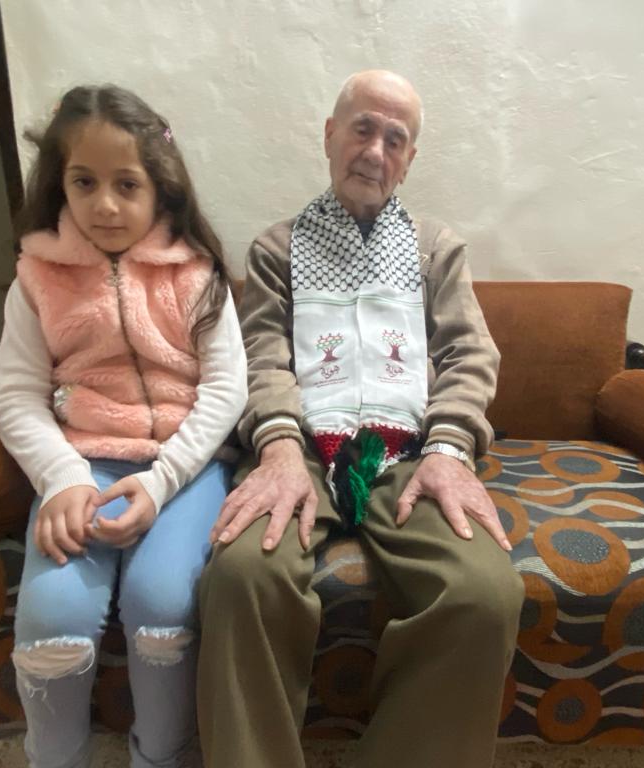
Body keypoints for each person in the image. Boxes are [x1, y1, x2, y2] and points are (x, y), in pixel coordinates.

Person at [197, 70, 525, 768]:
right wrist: (278, 449)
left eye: (395, 139)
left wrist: (448, 449)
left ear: (410, 159)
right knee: (241, 577)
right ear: (330, 135)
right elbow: (261, 358)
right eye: (362, 129)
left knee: (485, 594)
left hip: (405, 455)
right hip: (302, 452)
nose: (376, 151)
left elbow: (470, 355)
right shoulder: (276, 249)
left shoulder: (437, 248)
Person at [0, 84, 245, 768]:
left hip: (182, 472)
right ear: (60, 183)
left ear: (160, 187)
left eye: (126, 184)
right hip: (83, 467)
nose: (105, 204)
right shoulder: (35, 281)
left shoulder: (199, 276)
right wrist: (63, 478)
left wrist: (161, 482)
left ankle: (160, 758)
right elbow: (16, 395)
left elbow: (227, 390)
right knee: (53, 624)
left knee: (163, 608)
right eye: (85, 182)